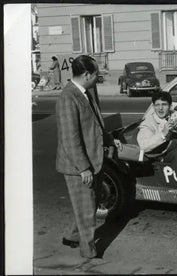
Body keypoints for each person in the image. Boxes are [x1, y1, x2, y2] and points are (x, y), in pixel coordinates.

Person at [56, 55, 115, 263]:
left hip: (92, 159)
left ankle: (71, 235)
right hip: (77, 166)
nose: (97, 78)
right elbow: (70, 138)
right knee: (87, 211)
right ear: (87, 74)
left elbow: (96, 123)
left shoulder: (85, 92)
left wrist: (108, 140)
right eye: (96, 74)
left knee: (86, 205)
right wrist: (83, 168)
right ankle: (89, 252)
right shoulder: (68, 97)